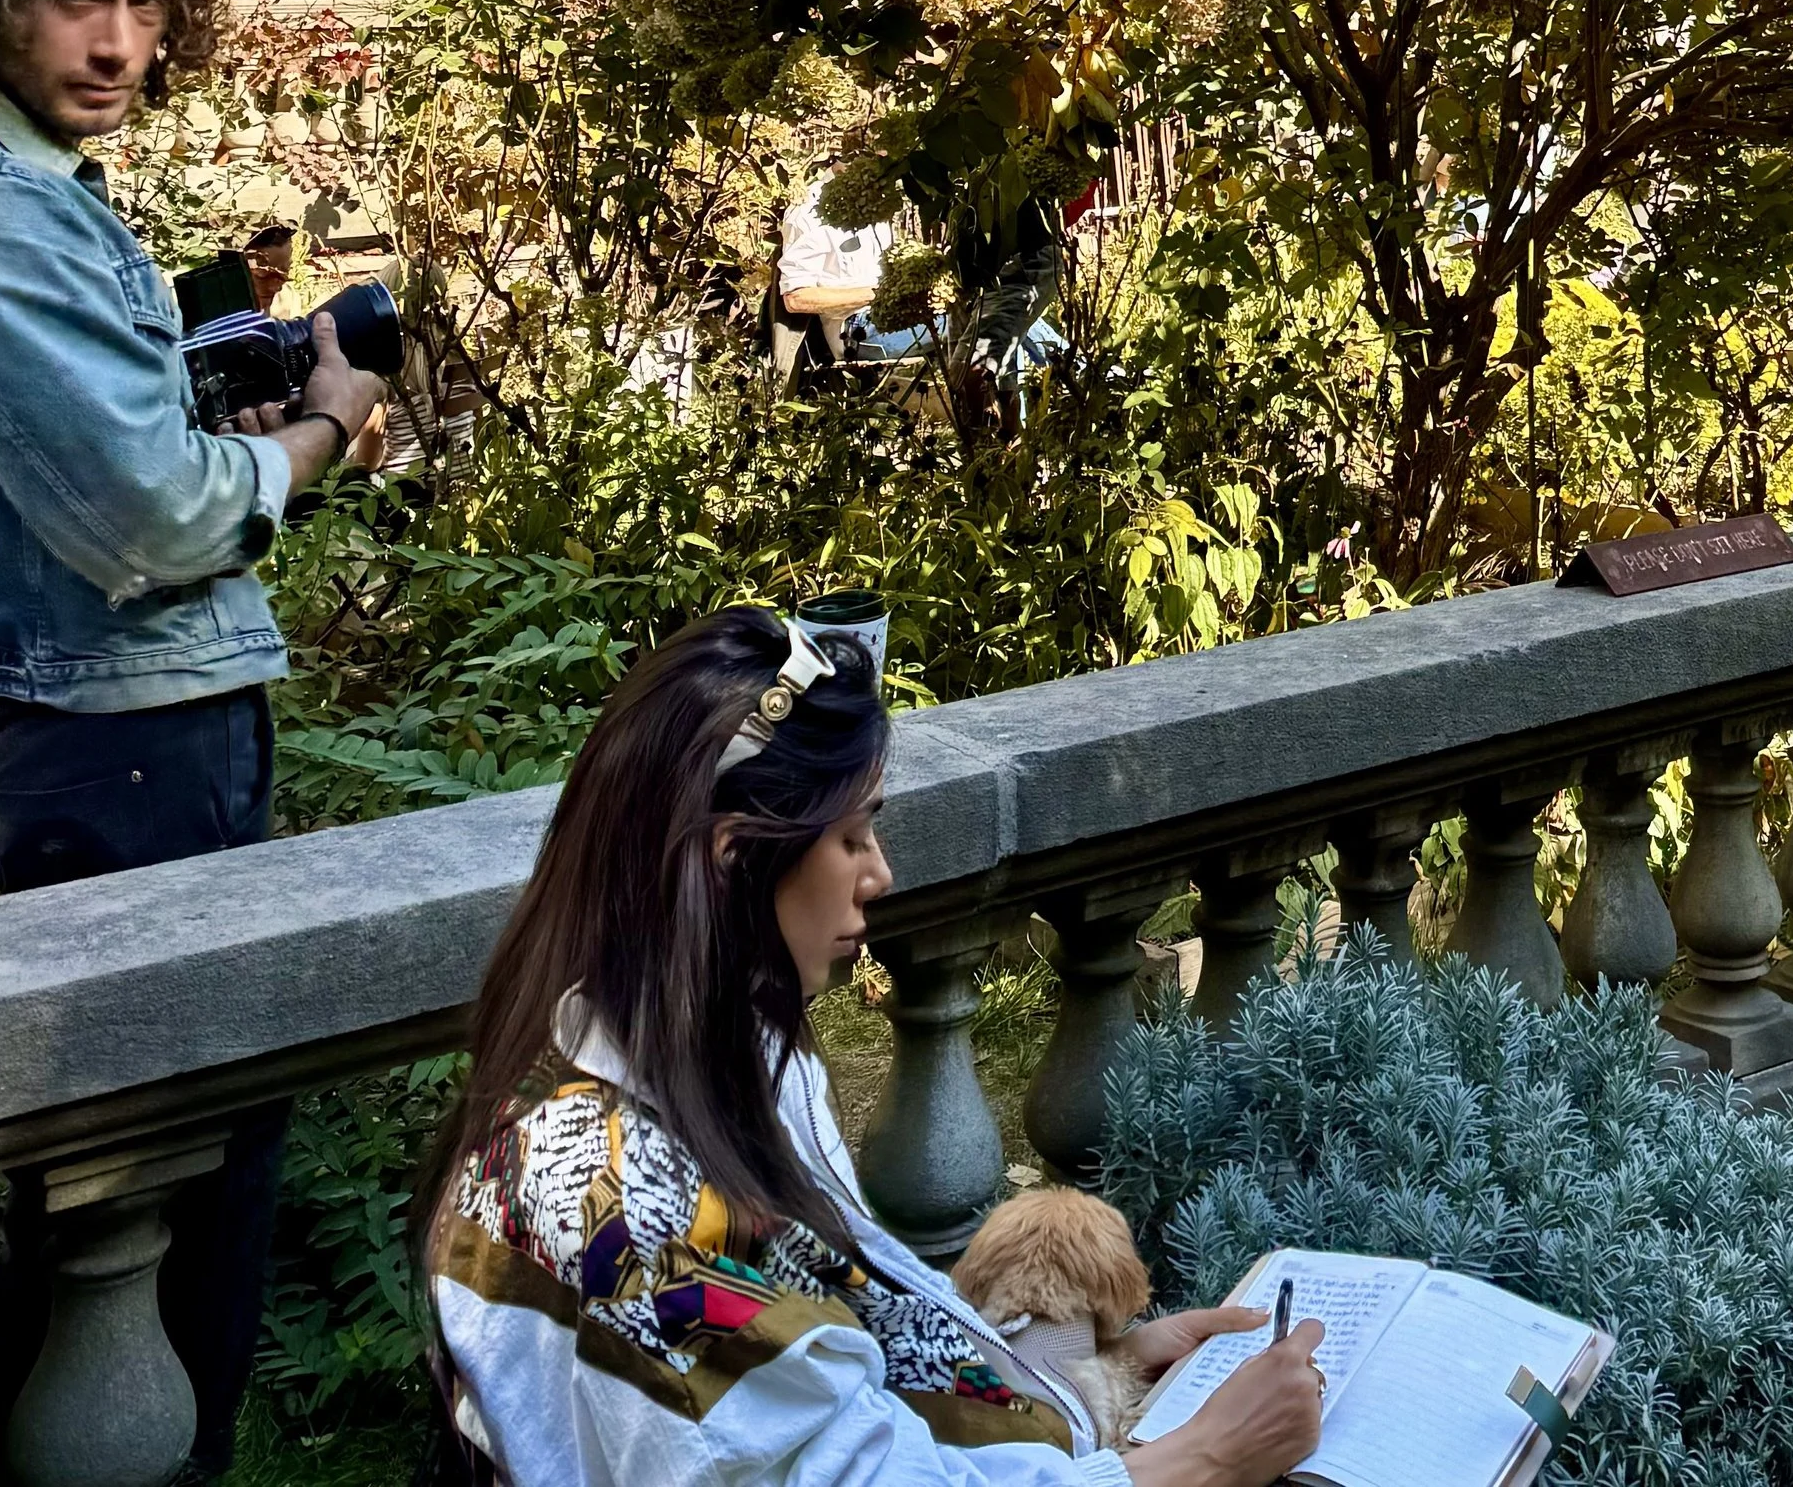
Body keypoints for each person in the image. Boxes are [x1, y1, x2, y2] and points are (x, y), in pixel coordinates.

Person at [0, 0, 391, 1481]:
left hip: (86, 718)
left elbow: (74, 457)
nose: (119, 38)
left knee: (124, 1194)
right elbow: (147, 518)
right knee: (166, 1200)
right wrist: (324, 434)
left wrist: (216, 420)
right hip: (109, 728)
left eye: (147, 3)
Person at [426, 606, 1326, 1487]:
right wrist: (1203, 1459)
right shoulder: (637, 1232)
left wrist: (1095, 1373)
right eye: (852, 836)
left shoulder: (677, 1054)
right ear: (736, 857)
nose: (880, 873)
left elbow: (850, 1363)